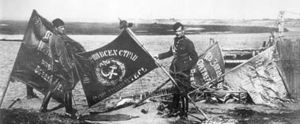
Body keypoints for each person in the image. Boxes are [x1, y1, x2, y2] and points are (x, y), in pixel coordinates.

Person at [39, 18, 85, 118]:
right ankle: (68, 112)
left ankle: (43, 108)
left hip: (55, 68)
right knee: (68, 88)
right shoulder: (59, 39)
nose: (63, 29)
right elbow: (62, 57)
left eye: (64, 27)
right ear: (56, 28)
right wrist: (68, 68)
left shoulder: (52, 37)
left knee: (52, 87)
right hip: (62, 68)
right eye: (61, 27)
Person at [155, 22, 198, 120]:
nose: (177, 33)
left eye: (179, 31)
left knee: (183, 92)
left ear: (183, 31)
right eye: (176, 31)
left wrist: (187, 67)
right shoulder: (174, 41)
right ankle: (174, 110)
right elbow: (170, 53)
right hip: (174, 70)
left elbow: (195, 58)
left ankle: (184, 113)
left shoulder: (188, 43)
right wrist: (158, 56)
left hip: (184, 71)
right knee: (176, 90)